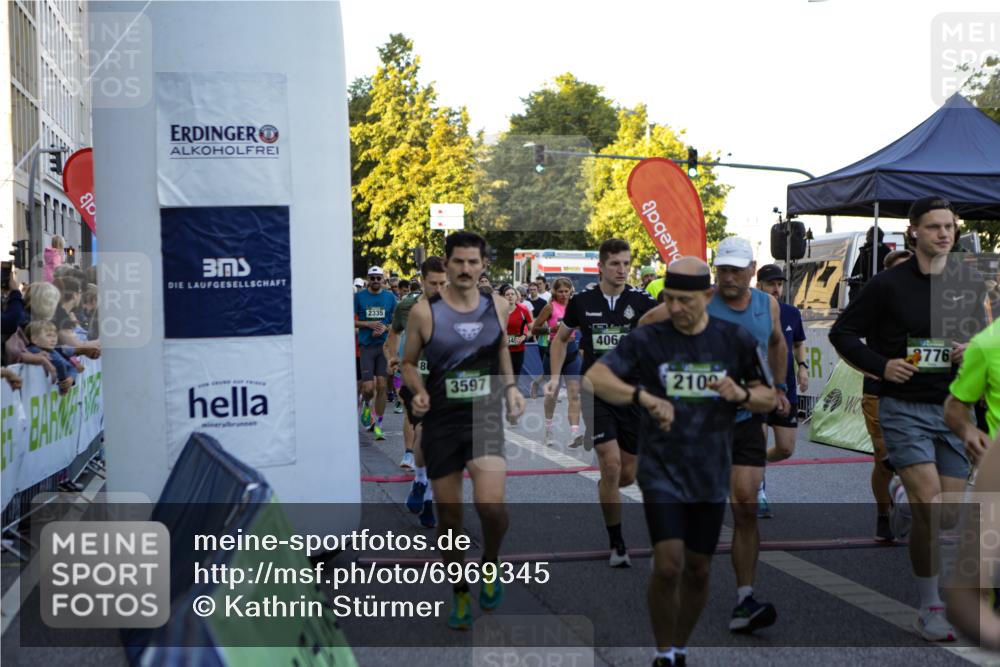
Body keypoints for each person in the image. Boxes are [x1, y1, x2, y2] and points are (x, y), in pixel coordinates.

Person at [586, 257, 775, 667]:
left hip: (709, 469)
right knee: (670, 564)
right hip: (662, 468)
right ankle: (665, 651)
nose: (675, 308)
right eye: (669, 299)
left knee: (698, 570)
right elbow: (596, 377)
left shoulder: (734, 341)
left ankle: (681, 645)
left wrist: (740, 395)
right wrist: (644, 397)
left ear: (706, 297)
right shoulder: (649, 339)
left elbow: (768, 397)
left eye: (685, 300)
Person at [830, 196, 982, 642]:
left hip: (953, 407)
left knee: (947, 516)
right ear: (913, 231)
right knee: (931, 508)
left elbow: (978, 335)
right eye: (934, 227)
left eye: (949, 227)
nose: (944, 234)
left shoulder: (968, 283)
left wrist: (969, 348)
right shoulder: (887, 285)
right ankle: (929, 606)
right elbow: (843, 333)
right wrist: (881, 365)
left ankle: (899, 493)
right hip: (904, 407)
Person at [639, 236, 789, 634]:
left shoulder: (767, 305)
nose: (728, 277)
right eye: (722, 268)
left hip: (743, 422)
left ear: (752, 270)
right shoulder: (699, 300)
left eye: (737, 270)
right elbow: (645, 327)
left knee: (744, 504)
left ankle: (744, 599)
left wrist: (776, 388)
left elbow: (776, 342)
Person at [401, 231, 525, 630]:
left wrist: (510, 389)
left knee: (492, 508)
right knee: (450, 518)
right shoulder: (425, 312)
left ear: (483, 264)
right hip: (441, 421)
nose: (466, 269)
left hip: (484, 415)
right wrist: (417, 390)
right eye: (459, 262)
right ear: (448, 263)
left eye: (474, 262)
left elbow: (502, 346)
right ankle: (458, 590)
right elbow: (407, 363)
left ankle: (490, 565)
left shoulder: (498, 304)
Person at [548, 238, 657, 567]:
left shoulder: (641, 300)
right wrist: (554, 378)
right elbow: (560, 339)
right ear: (601, 267)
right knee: (610, 465)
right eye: (615, 264)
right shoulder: (582, 301)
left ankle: (609, 486)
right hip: (596, 391)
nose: (622, 270)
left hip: (632, 393)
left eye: (626, 263)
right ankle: (617, 543)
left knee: (626, 474)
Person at [387, 260, 448, 529]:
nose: (438, 288)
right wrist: (391, 355)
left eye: (443, 283)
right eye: (433, 283)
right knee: (424, 430)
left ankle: (426, 495)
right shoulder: (406, 307)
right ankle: (421, 482)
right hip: (415, 379)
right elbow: (393, 334)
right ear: (422, 280)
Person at [859, 248, 913, 542]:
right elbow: (845, 334)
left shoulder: (926, 302)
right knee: (884, 459)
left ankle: (906, 502)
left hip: (917, 391)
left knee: (913, 458)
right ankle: (883, 513)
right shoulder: (875, 302)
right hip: (879, 391)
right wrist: (871, 365)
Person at [754, 264, 808, 518]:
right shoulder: (750, 312)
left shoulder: (791, 313)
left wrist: (803, 367)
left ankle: (753, 463)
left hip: (785, 388)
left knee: (786, 449)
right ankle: (759, 490)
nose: (777, 289)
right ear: (759, 286)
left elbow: (799, 343)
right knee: (758, 440)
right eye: (771, 284)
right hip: (757, 388)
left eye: (780, 284)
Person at [531, 277, 583, 447]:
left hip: (572, 352)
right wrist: (550, 329)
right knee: (552, 395)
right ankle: (548, 430)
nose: (563, 295)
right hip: (554, 352)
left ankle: (574, 433)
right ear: (554, 292)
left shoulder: (575, 307)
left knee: (574, 393)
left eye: (566, 291)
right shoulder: (550, 307)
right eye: (560, 291)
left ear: (570, 292)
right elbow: (534, 328)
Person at [354, 265, 397, 440]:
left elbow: (398, 321)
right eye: (373, 278)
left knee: (382, 385)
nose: (376, 281)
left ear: (383, 279)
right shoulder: (359, 297)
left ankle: (378, 424)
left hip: (384, 347)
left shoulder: (390, 297)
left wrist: (386, 327)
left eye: (379, 278)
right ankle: (366, 404)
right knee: (368, 388)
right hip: (366, 347)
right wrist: (368, 324)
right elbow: (347, 319)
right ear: (368, 279)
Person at [25, 320, 81, 394]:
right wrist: (63, 382)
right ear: (34, 339)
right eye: (48, 335)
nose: (53, 339)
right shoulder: (33, 350)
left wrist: (71, 378)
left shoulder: (52, 351)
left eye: (55, 335)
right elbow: (60, 363)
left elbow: (71, 367)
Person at [848, 225, 892, 301]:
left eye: (867, 236)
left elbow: (858, 272)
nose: (866, 238)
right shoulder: (887, 251)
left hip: (868, 291)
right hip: (884, 289)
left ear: (870, 237)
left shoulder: (866, 251)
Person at [500, 284, 532, 379]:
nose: (510, 296)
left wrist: (524, 336)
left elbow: (531, 329)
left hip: (518, 350)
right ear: (503, 297)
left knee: (515, 378)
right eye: (507, 294)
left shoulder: (523, 310)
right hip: (502, 350)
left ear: (516, 296)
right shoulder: (498, 311)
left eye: (512, 294)